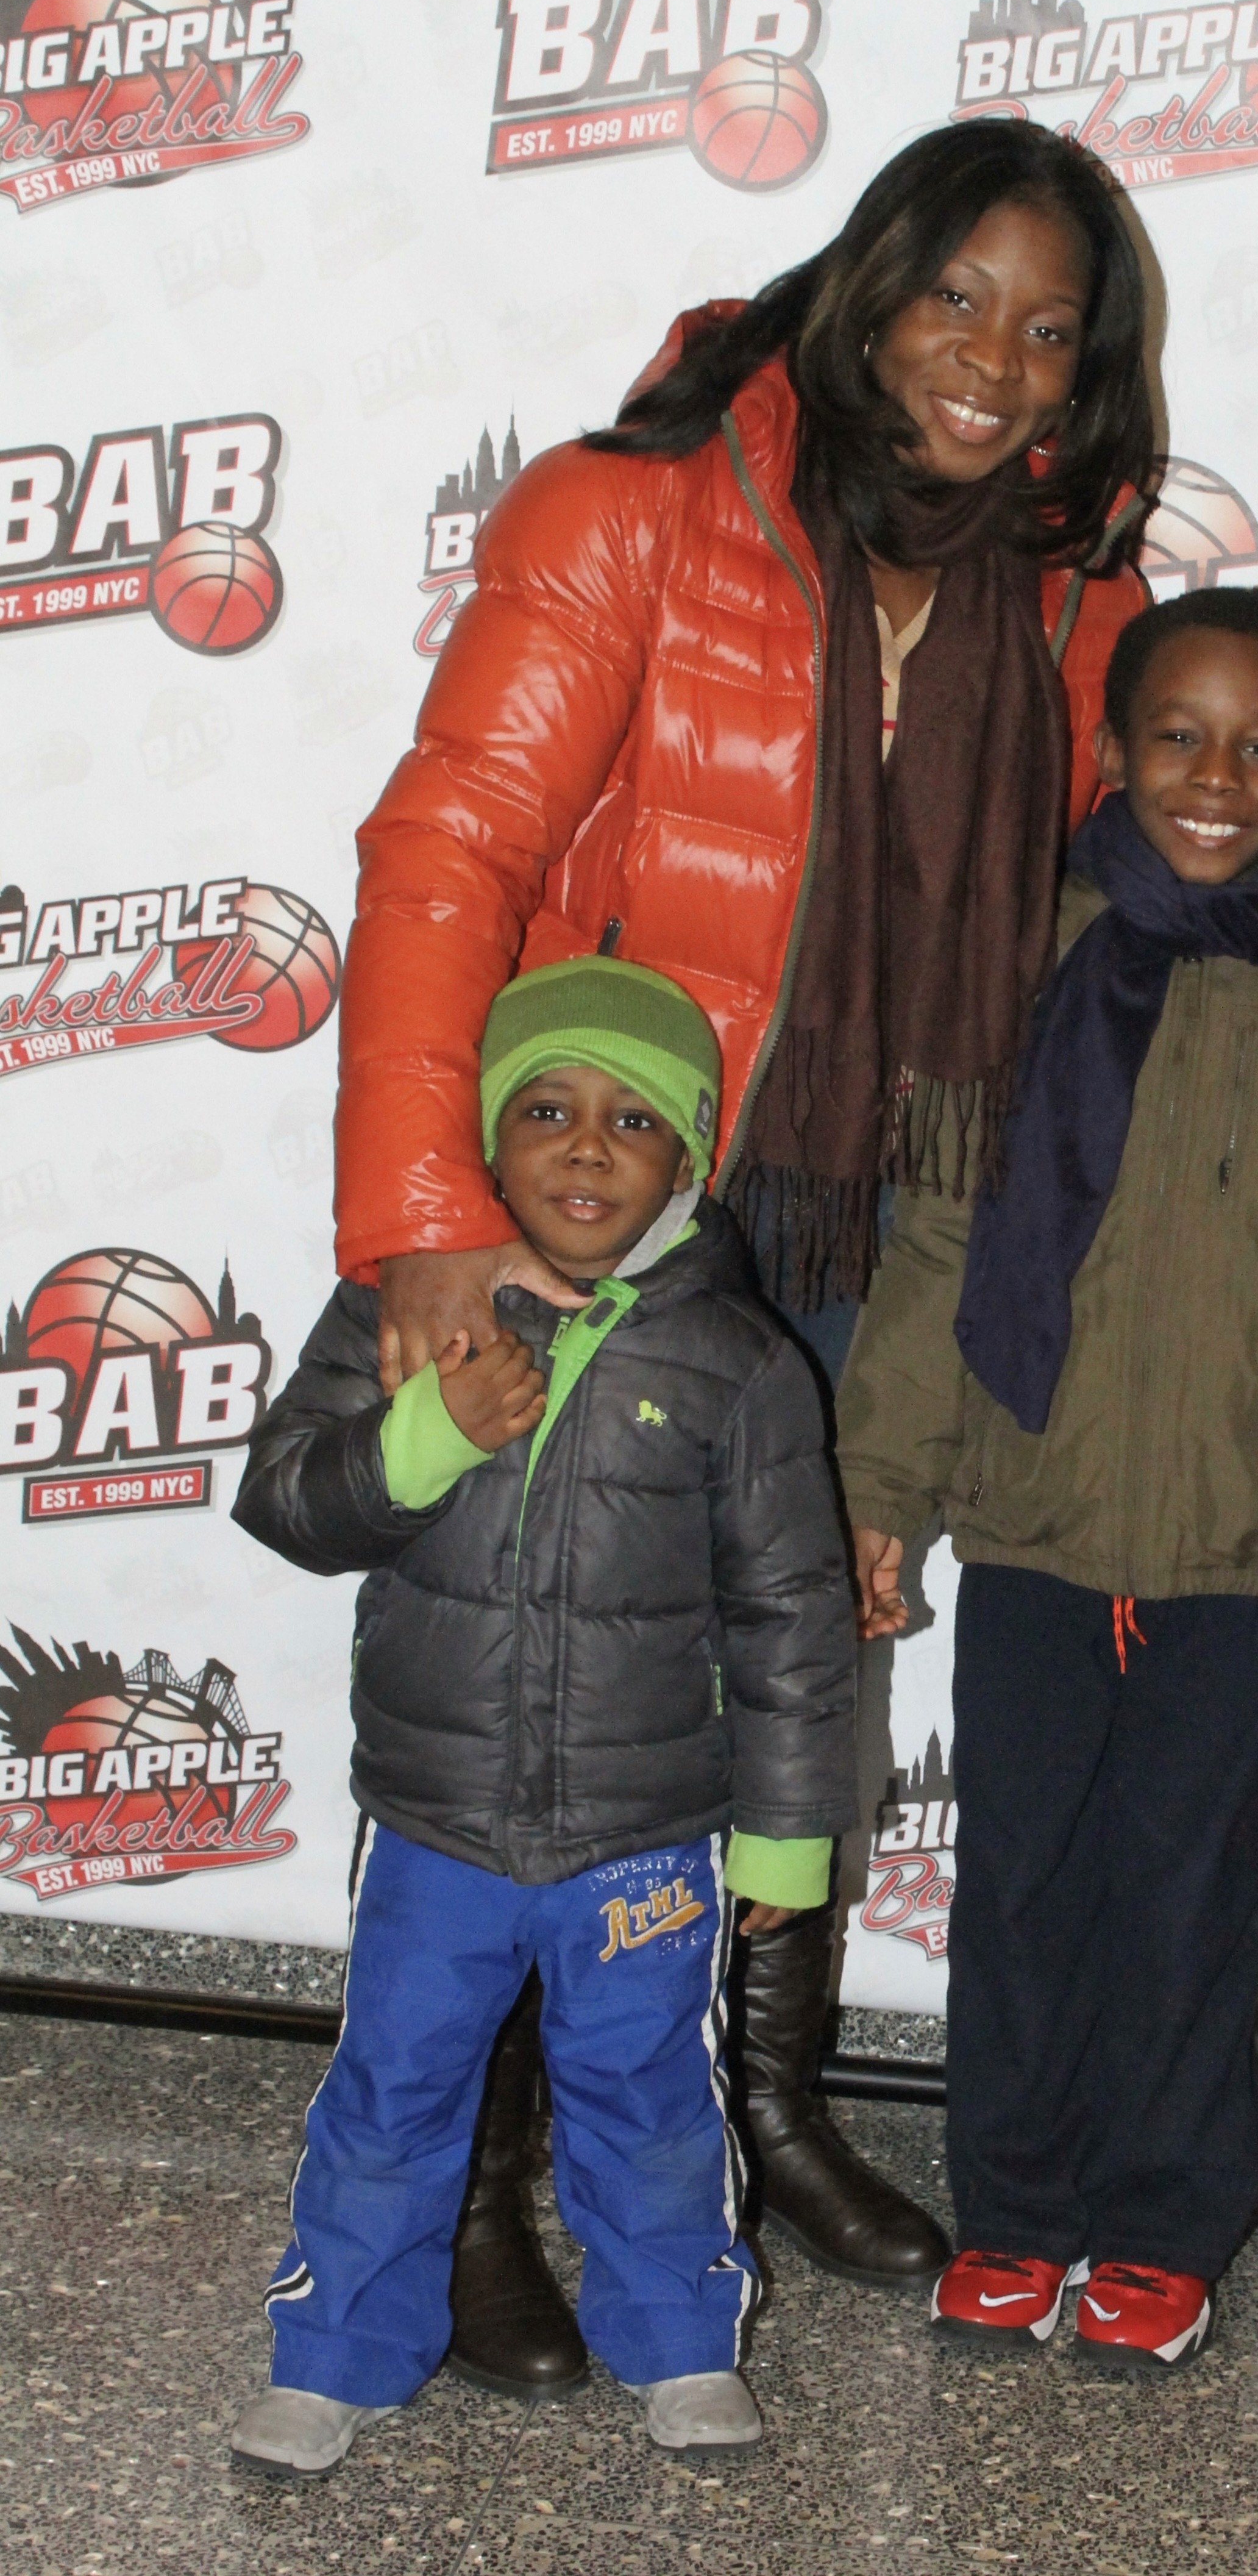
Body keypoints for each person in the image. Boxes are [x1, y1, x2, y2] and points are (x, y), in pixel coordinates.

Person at [330, 117, 1156, 2378]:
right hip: (602, 1216)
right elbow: (450, 851)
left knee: (804, 1678)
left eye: (1046, 329)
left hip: (879, 1228)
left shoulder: (1078, 609)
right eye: (955, 298)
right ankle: (492, 2181)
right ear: (870, 284)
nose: (990, 361)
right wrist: (424, 1222)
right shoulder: (630, 513)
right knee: (554, 1716)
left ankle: (761, 2097)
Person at [834, 590, 1258, 2371]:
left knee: (1196, 1893)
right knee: (1020, 1882)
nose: (1217, 775)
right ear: (1110, 748)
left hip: (1253, 1548)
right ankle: (1018, 2206)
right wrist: (880, 1480)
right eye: (1178, 734)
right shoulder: (1026, 955)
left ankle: (1165, 2223)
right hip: (1036, 1518)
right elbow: (944, 1236)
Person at [227, 956, 859, 2477]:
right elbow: (285, 1501)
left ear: (690, 1158)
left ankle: (681, 2341)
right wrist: (424, 1433)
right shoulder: (407, 1303)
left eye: (635, 1117)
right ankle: (334, 2351)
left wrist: (785, 1830)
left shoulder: (742, 1361)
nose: (588, 1145)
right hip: (436, 1815)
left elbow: (792, 1611)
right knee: (391, 2093)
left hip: (646, 1836)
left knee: (648, 2104)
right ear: (486, 1140)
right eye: (550, 1108)